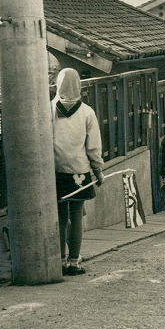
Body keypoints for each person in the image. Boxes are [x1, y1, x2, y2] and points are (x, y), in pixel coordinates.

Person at [52, 68, 105, 275]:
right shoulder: (87, 112)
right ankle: (74, 261)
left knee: (60, 216)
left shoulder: (48, 110)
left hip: (55, 171)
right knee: (76, 216)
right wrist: (98, 170)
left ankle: (59, 260)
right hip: (79, 173)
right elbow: (93, 146)